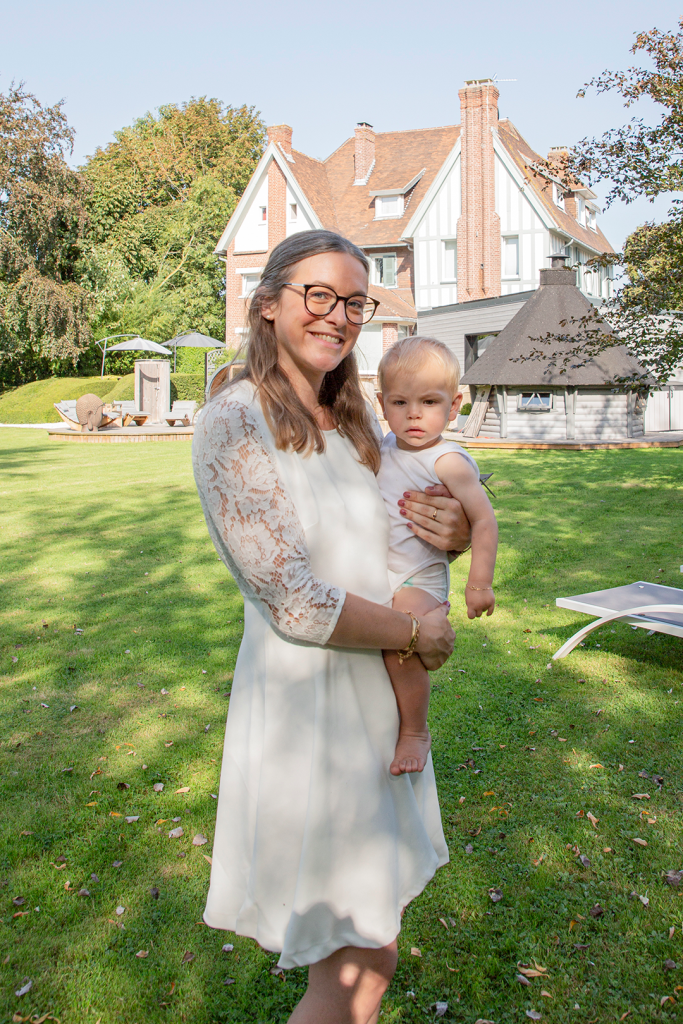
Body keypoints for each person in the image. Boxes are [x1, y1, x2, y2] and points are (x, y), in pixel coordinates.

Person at [192, 229, 471, 1024]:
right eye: (318, 294)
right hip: (309, 708)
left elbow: (395, 535)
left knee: (373, 951)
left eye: (354, 301)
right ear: (267, 304)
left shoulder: (351, 422)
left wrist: (450, 530)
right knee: (356, 966)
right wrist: (417, 637)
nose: (338, 314)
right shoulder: (233, 421)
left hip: (372, 699)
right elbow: (294, 599)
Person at [376, 336, 499, 777]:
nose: (414, 414)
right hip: (384, 571)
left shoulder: (448, 461)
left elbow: (484, 521)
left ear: (454, 406)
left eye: (429, 402)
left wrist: (478, 583)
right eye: (400, 402)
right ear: (382, 404)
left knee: (400, 643)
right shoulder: (383, 447)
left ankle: (414, 730)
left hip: (419, 577)